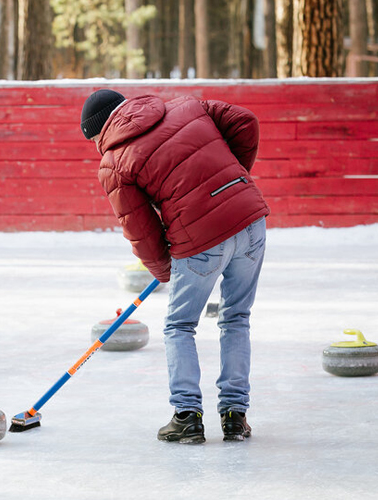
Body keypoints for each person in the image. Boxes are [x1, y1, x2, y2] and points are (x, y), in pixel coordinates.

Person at [80, 89, 270, 443]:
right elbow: (245, 121)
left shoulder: (114, 163)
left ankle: (187, 417)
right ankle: (235, 415)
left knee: (179, 325)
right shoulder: (186, 105)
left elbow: (141, 232)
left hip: (201, 239)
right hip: (249, 219)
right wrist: (231, 182)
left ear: (99, 130)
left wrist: (165, 270)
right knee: (236, 317)